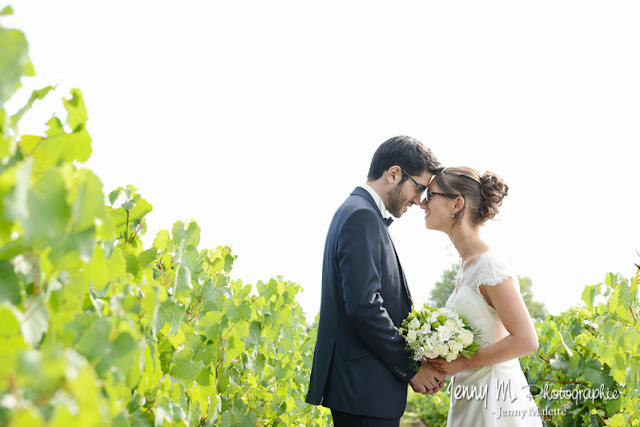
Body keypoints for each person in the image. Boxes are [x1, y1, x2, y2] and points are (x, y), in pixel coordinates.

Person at [306, 136, 446, 426]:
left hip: (361, 391)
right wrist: (412, 368)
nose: (419, 201)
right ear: (393, 174)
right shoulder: (361, 217)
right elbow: (364, 307)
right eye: (418, 188)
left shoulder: (357, 212)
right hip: (363, 390)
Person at [420, 167, 542, 426]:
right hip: (469, 396)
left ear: (457, 203)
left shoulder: (489, 265)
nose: (422, 203)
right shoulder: (466, 267)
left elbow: (527, 340)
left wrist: (464, 362)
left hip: (495, 400)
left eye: (430, 195)